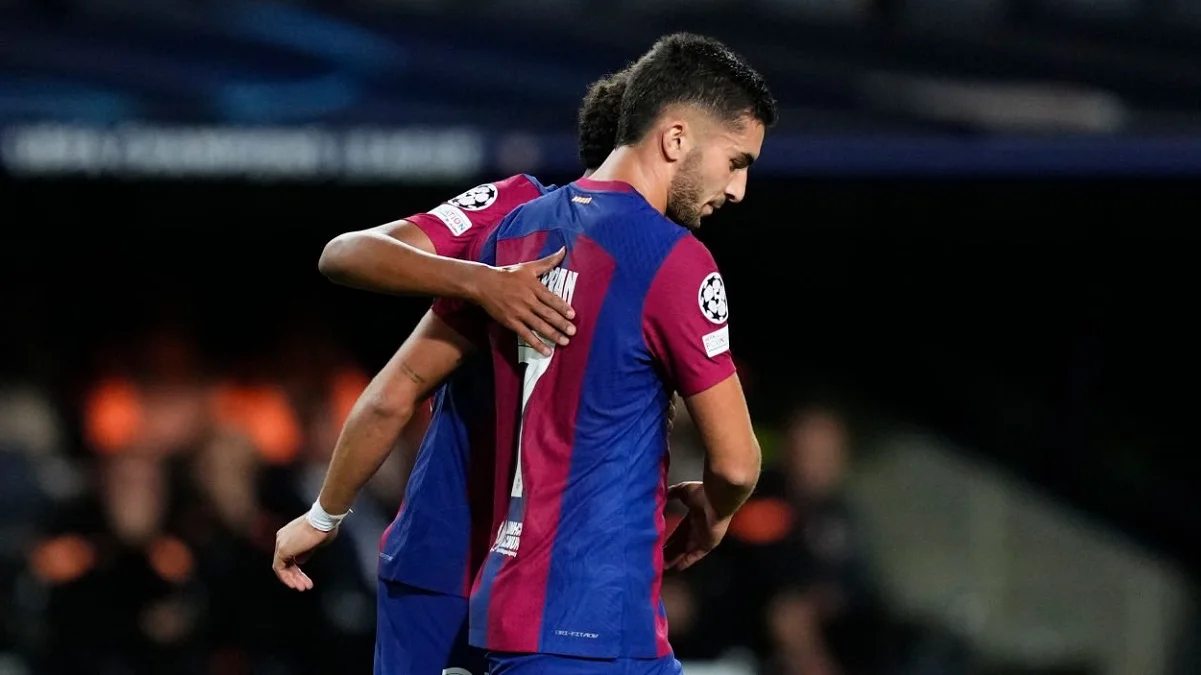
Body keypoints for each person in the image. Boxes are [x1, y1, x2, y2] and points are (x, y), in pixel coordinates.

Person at [435, 32, 776, 675]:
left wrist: (324, 514)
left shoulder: (517, 229)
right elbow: (735, 463)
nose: (738, 189)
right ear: (676, 139)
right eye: (736, 161)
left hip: (523, 607)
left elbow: (404, 382)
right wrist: (717, 512)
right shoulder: (675, 261)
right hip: (589, 623)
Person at [271, 69, 630, 675]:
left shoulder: (663, 263)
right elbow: (347, 255)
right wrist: (481, 281)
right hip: (452, 565)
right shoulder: (515, 219)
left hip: (564, 580)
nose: (733, 188)